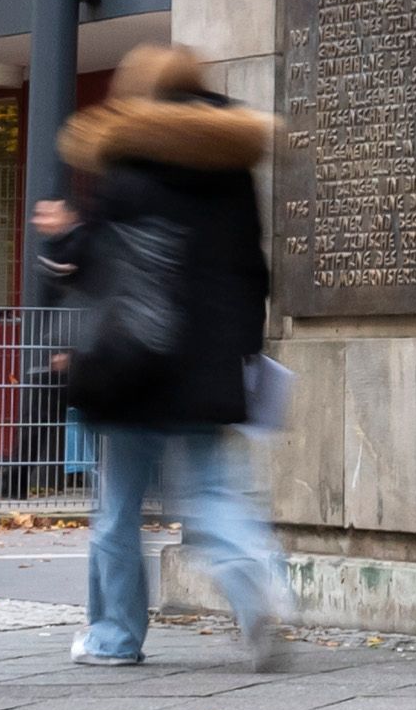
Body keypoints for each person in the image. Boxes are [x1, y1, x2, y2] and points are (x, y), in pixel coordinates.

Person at [32, 42, 286, 672]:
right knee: (212, 491)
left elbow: (102, 266)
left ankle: (116, 637)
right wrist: (244, 356)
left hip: (134, 365)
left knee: (118, 510)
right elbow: (252, 272)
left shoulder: (129, 165)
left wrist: (64, 237)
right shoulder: (231, 170)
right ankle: (256, 585)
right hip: (209, 366)